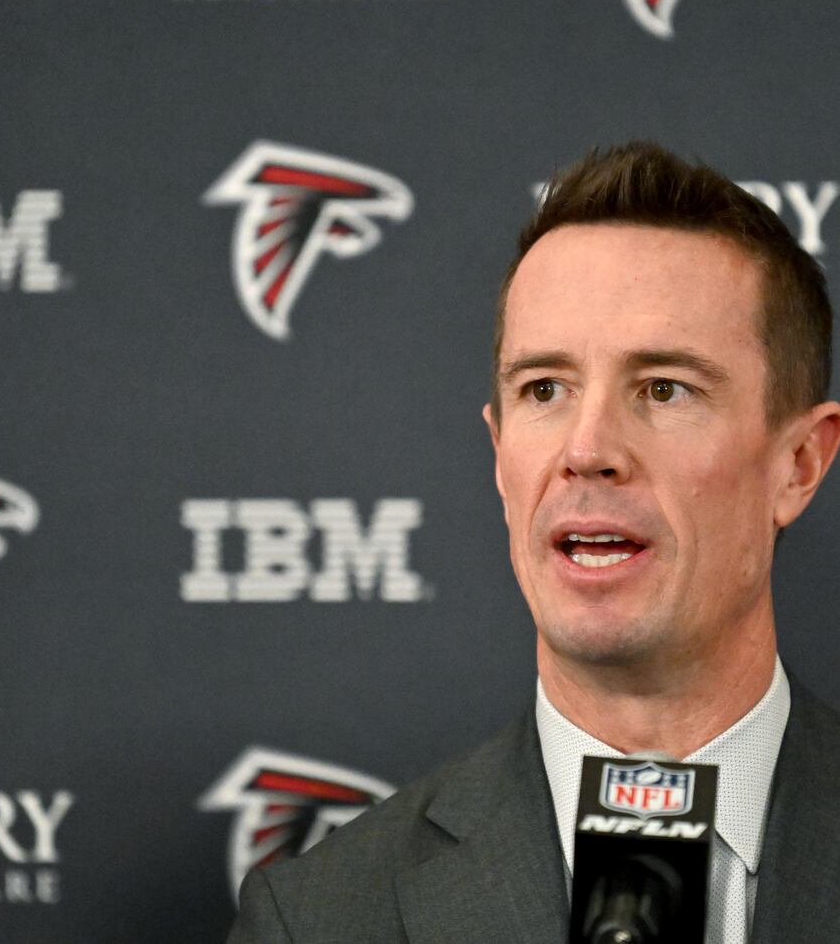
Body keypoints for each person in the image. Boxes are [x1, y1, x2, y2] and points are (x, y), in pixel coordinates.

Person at [226, 142, 840, 943]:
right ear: (498, 455)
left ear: (798, 465)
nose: (587, 450)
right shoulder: (321, 919)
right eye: (544, 389)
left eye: (663, 388)